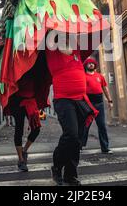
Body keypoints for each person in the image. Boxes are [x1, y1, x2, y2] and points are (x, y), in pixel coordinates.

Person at [46, 36, 98, 186]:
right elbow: (56, 38)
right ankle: (56, 166)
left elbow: (89, 38)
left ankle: (70, 174)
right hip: (64, 99)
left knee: (78, 140)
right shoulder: (51, 47)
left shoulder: (76, 47)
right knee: (71, 135)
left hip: (80, 99)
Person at [82, 58, 113, 154]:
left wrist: (110, 100)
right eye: (89, 63)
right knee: (85, 126)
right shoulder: (83, 76)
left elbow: (105, 88)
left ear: (95, 65)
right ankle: (79, 146)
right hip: (88, 104)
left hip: (99, 103)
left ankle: (105, 147)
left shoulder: (100, 76)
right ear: (86, 65)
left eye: (92, 63)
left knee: (102, 125)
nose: (91, 65)